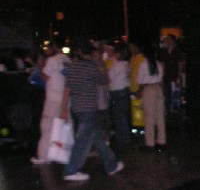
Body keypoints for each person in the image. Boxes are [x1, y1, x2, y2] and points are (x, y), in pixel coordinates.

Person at [60, 41, 123, 181]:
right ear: (90, 53)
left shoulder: (71, 67)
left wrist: (63, 109)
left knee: (97, 139)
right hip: (89, 108)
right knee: (82, 141)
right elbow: (104, 80)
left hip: (76, 108)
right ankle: (70, 171)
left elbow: (67, 89)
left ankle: (111, 165)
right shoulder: (92, 67)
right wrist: (100, 64)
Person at [31, 36, 70, 164]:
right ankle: (64, 154)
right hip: (65, 99)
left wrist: (40, 66)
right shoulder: (68, 60)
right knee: (63, 127)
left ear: (54, 47)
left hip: (53, 98)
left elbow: (45, 77)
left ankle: (43, 156)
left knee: (46, 126)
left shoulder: (52, 60)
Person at [137, 43, 166, 150]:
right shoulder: (158, 64)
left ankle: (150, 143)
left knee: (149, 117)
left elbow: (140, 80)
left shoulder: (143, 64)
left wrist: (139, 91)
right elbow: (161, 78)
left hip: (148, 89)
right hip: (158, 88)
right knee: (160, 116)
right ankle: (162, 141)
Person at [107, 41, 132, 146]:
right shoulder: (126, 64)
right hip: (124, 90)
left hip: (117, 91)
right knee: (122, 115)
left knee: (119, 116)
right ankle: (124, 137)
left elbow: (109, 77)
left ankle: (124, 139)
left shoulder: (117, 65)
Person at [158, 34, 185, 127]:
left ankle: (176, 121)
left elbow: (180, 66)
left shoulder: (177, 52)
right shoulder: (163, 52)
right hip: (167, 79)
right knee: (167, 99)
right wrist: (161, 79)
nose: (166, 41)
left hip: (175, 79)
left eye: (168, 39)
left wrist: (178, 79)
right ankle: (169, 120)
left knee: (176, 99)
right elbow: (162, 66)